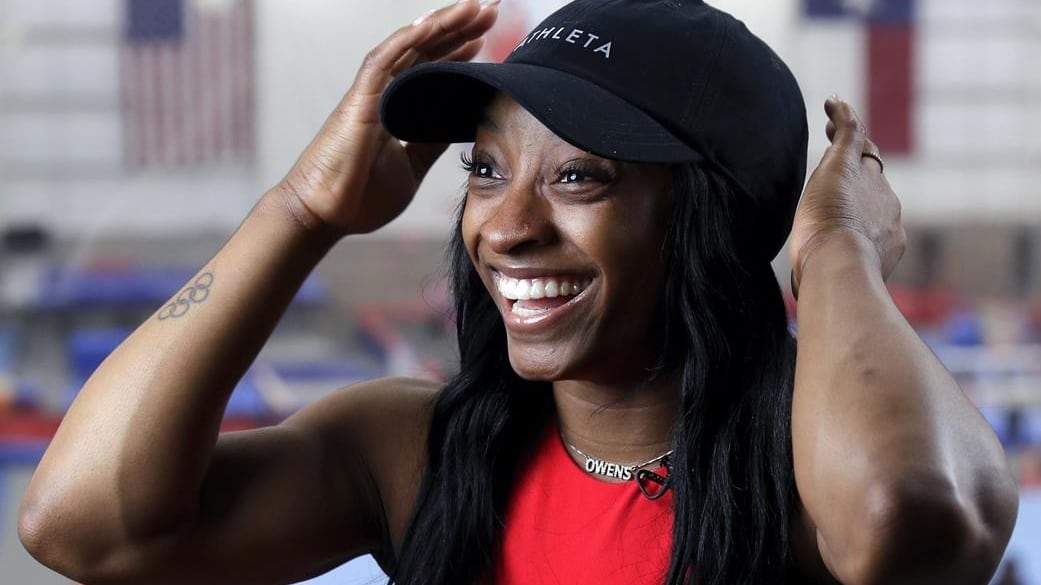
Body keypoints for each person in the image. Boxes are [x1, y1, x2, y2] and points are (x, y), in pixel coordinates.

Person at [18, 1, 1019, 584]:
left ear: (711, 219)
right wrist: (301, 210)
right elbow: (80, 524)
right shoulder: (414, 454)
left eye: (579, 177)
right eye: (486, 170)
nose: (505, 226)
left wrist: (835, 247)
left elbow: (906, 521)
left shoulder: (811, 474)